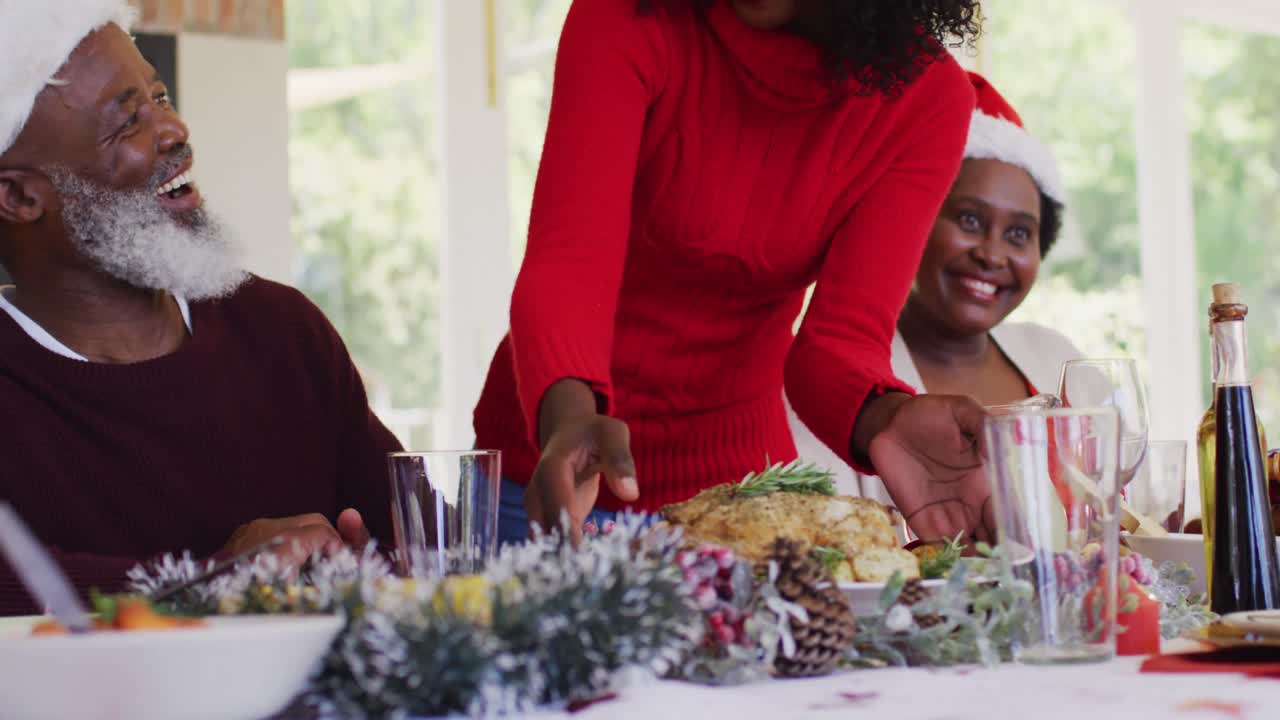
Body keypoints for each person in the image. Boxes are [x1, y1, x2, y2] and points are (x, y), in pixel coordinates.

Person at [474, 0, 996, 546]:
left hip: (741, 503)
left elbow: (839, 345)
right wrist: (566, 420)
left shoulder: (927, 99)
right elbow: (570, 262)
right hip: (545, 474)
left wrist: (889, 418)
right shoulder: (629, 15)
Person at [0, 2, 398, 615]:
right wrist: (210, 581)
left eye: (158, 96)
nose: (173, 130)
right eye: (126, 121)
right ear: (19, 196)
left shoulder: (281, 331)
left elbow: (405, 534)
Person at [790, 72, 1082, 511]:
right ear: (911, 222)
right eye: (969, 221)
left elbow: (1130, 522)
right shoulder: (834, 383)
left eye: (1019, 234)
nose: (992, 254)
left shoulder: (1062, 359)